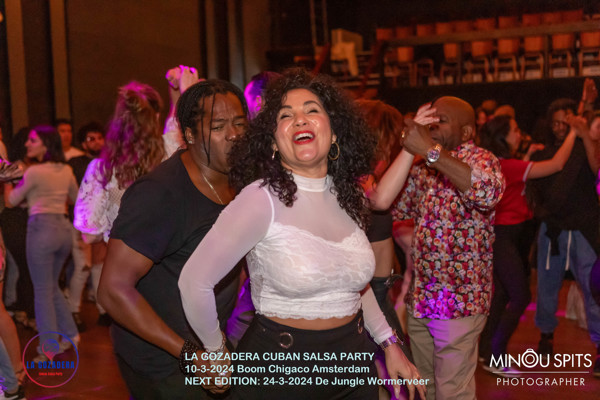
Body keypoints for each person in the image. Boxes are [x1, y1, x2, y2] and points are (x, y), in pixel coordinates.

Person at [178, 68, 425, 400]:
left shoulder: (348, 195)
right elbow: (194, 281)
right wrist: (215, 352)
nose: (299, 119)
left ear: (334, 134)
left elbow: (352, 286)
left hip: (354, 367)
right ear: (273, 142)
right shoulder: (259, 200)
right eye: (286, 115)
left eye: (312, 110)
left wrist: (389, 343)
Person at [97, 79, 247, 399]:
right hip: (164, 362)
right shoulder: (160, 194)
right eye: (218, 126)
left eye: (239, 123)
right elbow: (112, 290)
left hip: (209, 344)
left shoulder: (239, 180)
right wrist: (191, 356)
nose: (233, 134)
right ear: (189, 134)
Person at [392, 96, 505, 399]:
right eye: (430, 121)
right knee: (425, 387)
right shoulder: (423, 167)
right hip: (422, 299)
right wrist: (408, 151)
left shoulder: (481, 159)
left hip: (461, 303)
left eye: (441, 121)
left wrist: (430, 151)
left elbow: (487, 194)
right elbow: (392, 206)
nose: (433, 127)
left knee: (452, 392)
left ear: (466, 132)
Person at [478, 114, 576, 375]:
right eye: (515, 130)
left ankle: (486, 351)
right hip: (503, 237)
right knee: (520, 296)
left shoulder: (502, 163)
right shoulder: (507, 165)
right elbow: (556, 164)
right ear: (503, 136)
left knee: (502, 295)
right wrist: (574, 132)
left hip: (506, 236)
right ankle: (495, 355)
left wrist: (527, 155)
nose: (519, 133)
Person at [527, 98, 600, 376]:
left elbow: (597, 169)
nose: (559, 127)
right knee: (546, 287)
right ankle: (545, 336)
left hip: (583, 229)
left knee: (593, 290)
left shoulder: (585, 149)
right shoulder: (543, 154)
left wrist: (584, 135)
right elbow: (536, 190)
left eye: (564, 122)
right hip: (553, 230)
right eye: (555, 122)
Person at [4, 125, 79, 362]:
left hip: (41, 231)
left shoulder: (34, 172)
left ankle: (48, 349)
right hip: (63, 230)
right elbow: (76, 199)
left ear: (46, 144)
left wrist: (6, 180)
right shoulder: (66, 170)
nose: (27, 144)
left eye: (33, 140)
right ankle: (71, 334)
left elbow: (11, 201)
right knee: (52, 286)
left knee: (42, 292)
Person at [226, 70, 283, 349]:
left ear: (258, 102)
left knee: (237, 334)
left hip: (268, 255)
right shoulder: (290, 138)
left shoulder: (255, 147)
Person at [68, 122, 106, 331]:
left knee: (99, 267)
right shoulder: (75, 163)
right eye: (92, 139)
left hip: (101, 223)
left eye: (100, 138)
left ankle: (103, 311)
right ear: (83, 143)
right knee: (83, 267)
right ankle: (74, 311)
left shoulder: (108, 162)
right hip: (80, 224)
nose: (97, 142)